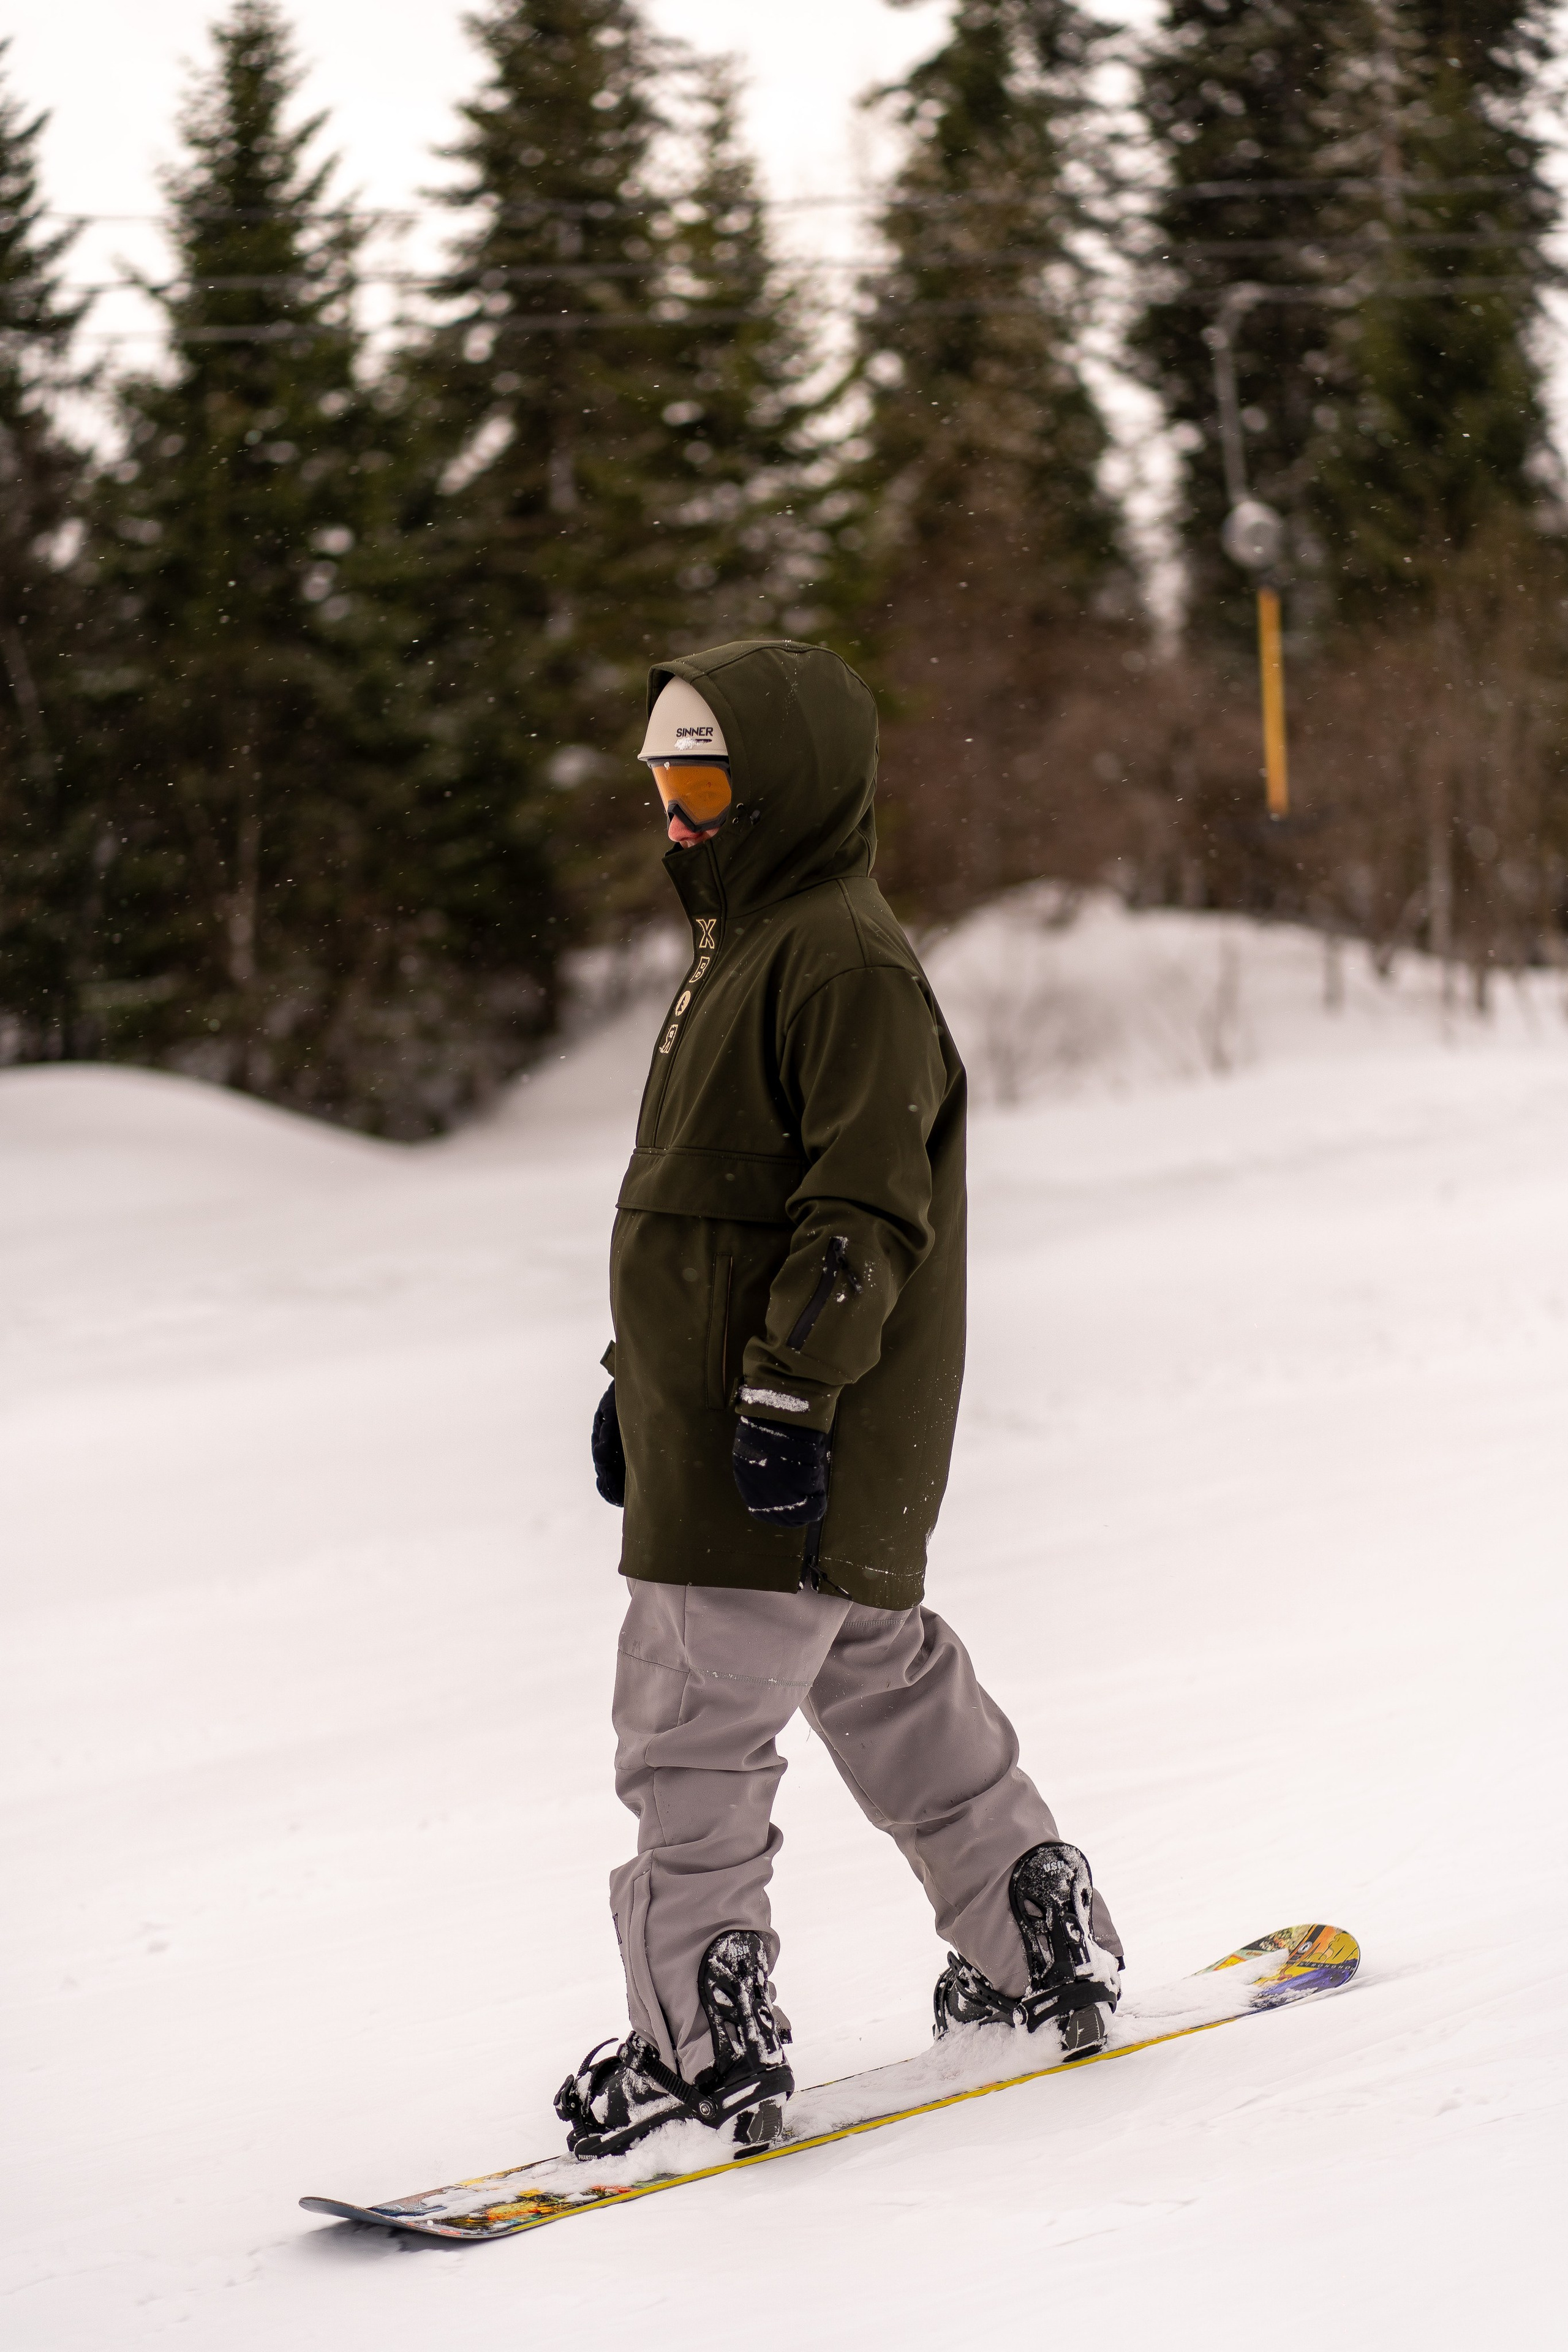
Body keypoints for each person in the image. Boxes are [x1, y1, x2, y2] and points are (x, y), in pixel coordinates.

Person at [555, 640, 1122, 2162]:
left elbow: (859, 1216)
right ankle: (1032, 1931)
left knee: (687, 1730)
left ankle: (695, 2043)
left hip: (777, 1437)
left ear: (781, 783)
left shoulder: (835, 960)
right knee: (877, 1673)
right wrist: (637, 1384)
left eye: (703, 777)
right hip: (754, 1427)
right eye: (659, 778)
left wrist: (778, 1402)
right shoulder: (753, 949)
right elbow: (704, 1217)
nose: (674, 813)